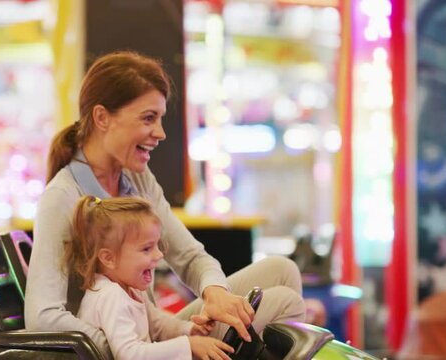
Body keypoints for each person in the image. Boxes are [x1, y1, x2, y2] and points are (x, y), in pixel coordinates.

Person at [24, 50, 306, 358]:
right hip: (136, 349)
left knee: (283, 270)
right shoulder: (62, 197)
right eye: (148, 118)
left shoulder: (137, 178)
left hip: (154, 337)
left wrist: (215, 293)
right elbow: (42, 315)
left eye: (159, 118)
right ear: (102, 118)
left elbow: (190, 257)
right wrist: (122, 345)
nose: (160, 133)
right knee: (283, 302)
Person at [65, 195, 234, 359]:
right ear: (109, 258)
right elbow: (130, 354)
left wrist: (189, 330)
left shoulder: (130, 288)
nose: (159, 254)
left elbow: (157, 325)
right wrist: (188, 345)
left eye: (157, 245)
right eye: (146, 249)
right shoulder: (110, 296)